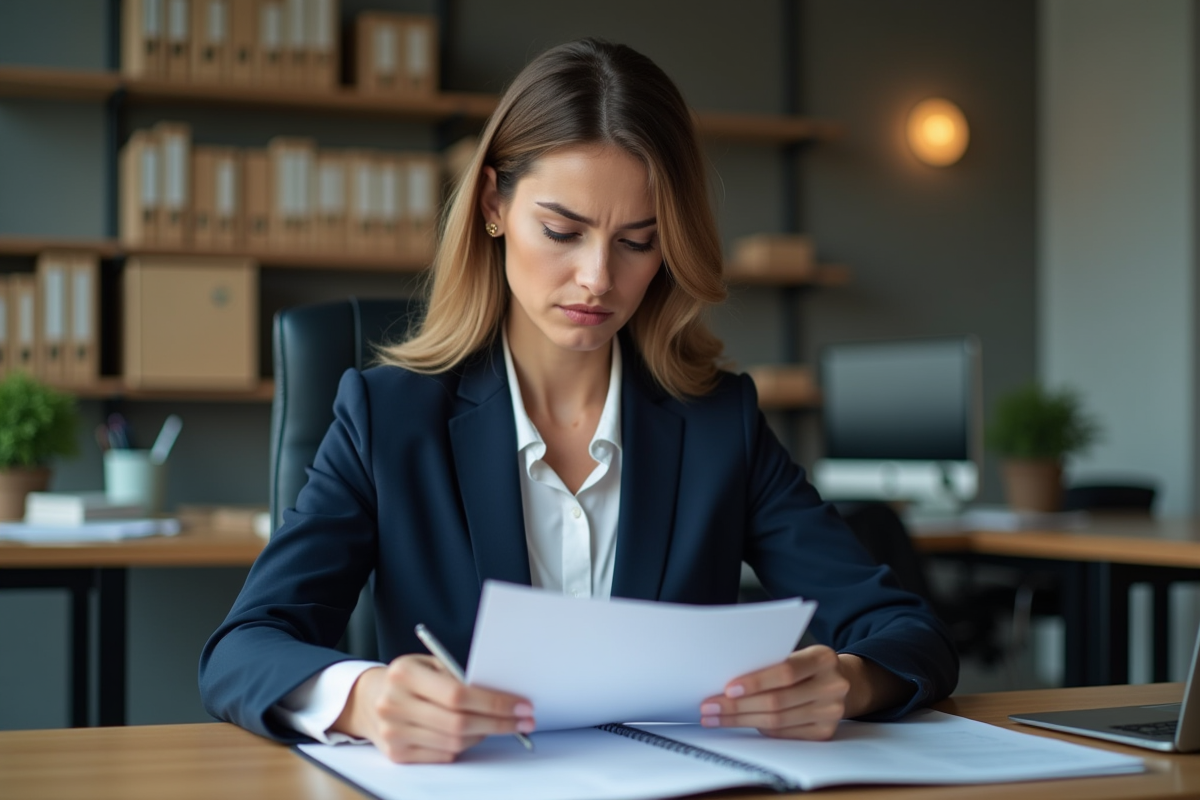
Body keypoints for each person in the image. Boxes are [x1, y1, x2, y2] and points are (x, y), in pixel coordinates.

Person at [199, 37, 958, 765]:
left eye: (637, 241)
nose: (598, 277)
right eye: (563, 230)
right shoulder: (386, 417)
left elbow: (903, 629)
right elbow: (245, 645)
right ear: (494, 202)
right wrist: (364, 697)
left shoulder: (718, 422)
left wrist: (850, 683)